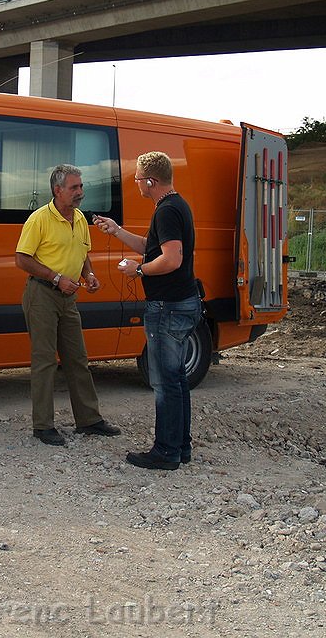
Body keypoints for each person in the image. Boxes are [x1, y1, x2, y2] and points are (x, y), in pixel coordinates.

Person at [92, 151, 199, 470]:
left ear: (150, 181)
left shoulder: (167, 211)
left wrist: (139, 272)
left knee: (166, 382)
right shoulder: (175, 206)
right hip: (182, 301)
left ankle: (166, 452)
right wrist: (116, 230)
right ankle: (181, 446)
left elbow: (171, 259)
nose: (135, 183)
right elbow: (152, 247)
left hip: (168, 306)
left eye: (138, 178)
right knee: (177, 379)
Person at [15, 164, 121, 446]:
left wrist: (90, 275)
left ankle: (89, 420)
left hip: (68, 297)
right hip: (42, 295)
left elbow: (83, 253)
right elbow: (22, 259)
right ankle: (43, 426)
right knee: (45, 361)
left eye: (81, 187)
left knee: (77, 359)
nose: (80, 193)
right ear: (57, 190)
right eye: (74, 188)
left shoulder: (80, 220)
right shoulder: (39, 220)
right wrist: (56, 277)